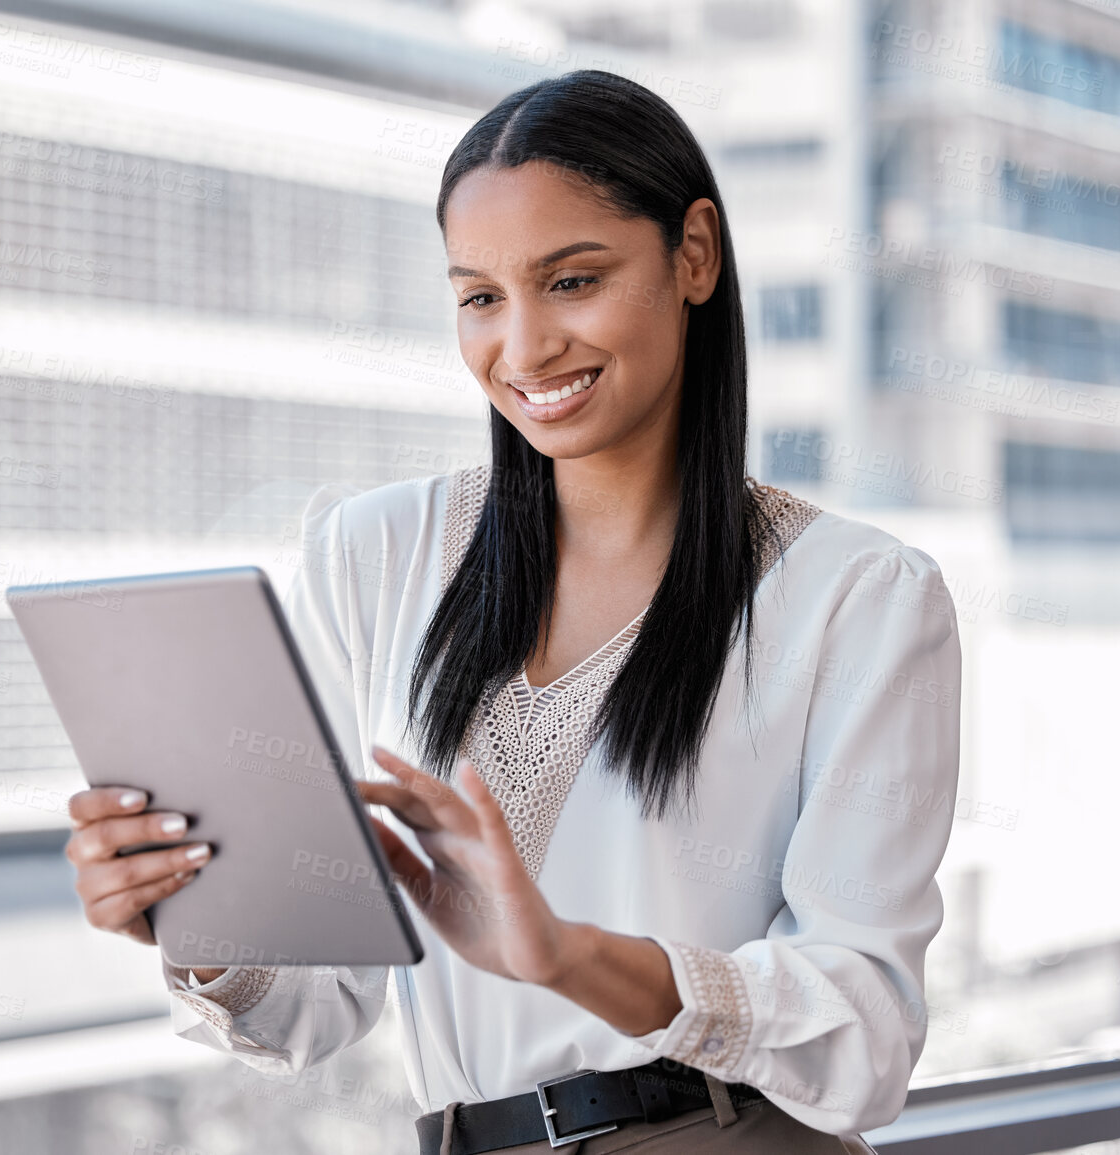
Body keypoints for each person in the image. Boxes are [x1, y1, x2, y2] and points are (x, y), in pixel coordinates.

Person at [65, 69, 960, 1154]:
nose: (524, 349)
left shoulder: (854, 600)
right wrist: (194, 919)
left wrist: (568, 954)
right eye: (481, 297)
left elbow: (864, 1034)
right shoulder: (371, 556)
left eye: (572, 280)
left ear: (694, 255)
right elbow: (317, 1003)